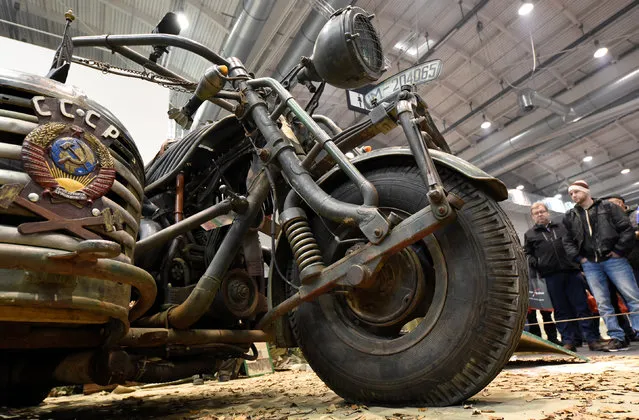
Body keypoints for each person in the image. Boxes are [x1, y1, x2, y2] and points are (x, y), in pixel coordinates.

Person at [562, 180, 639, 351]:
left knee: (632, 297)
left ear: (586, 191)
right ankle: (616, 336)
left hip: (615, 260)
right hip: (591, 264)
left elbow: (625, 229)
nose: (573, 195)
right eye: (571, 193)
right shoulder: (570, 216)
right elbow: (567, 241)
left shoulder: (607, 207)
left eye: (576, 192)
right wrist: (580, 259)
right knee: (603, 303)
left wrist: (618, 250)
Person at [524, 202, 603, 351]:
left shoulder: (563, 227)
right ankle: (568, 341)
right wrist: (539, 263)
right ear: (532, 216)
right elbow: (528, 254)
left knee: (582, 306)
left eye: (542, 211)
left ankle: (592, 339)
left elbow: (576, 244)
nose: (540, 214)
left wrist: (578, 262)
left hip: (572, 272)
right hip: (550, 276)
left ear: (548, 213)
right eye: (536, 213)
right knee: (561, 309)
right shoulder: (529, 234)